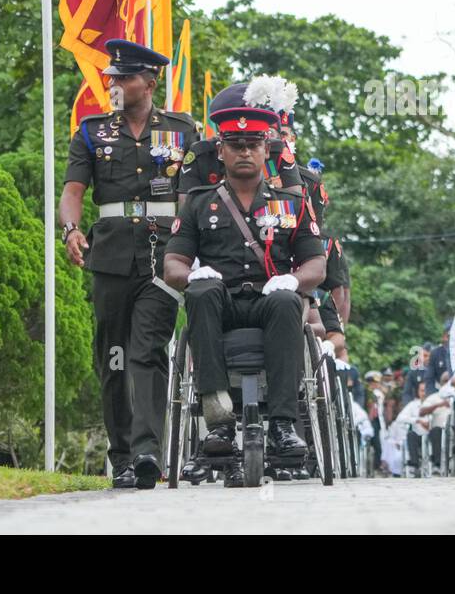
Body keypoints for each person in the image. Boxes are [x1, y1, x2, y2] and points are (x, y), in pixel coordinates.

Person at [61, 39, 209, 489]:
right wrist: (71, 230)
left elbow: (193, 197)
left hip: (164, 254)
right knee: (114, 357)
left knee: (147, 349)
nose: (115, 85)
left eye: (125, 78)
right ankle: (122, 455)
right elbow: (73, 191)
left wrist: (192, 245)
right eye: (113, 78)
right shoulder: (92, 132)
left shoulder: (183, 131)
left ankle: (147, 453)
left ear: (150, 82)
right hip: (109, 257)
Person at [163, 82, 327, 487]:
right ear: (220, 150)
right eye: (235, 145)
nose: (245, 152)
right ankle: (218, 420)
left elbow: (317, 264)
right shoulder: (199, 202)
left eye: (253, 144)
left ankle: (283, 425)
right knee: (200, 291)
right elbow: (172, 264)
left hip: (271, 301)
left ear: (266, 149)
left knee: (288, 300)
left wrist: (293, 278)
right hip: (221, 303)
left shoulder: (291, 204)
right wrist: (191, 274)